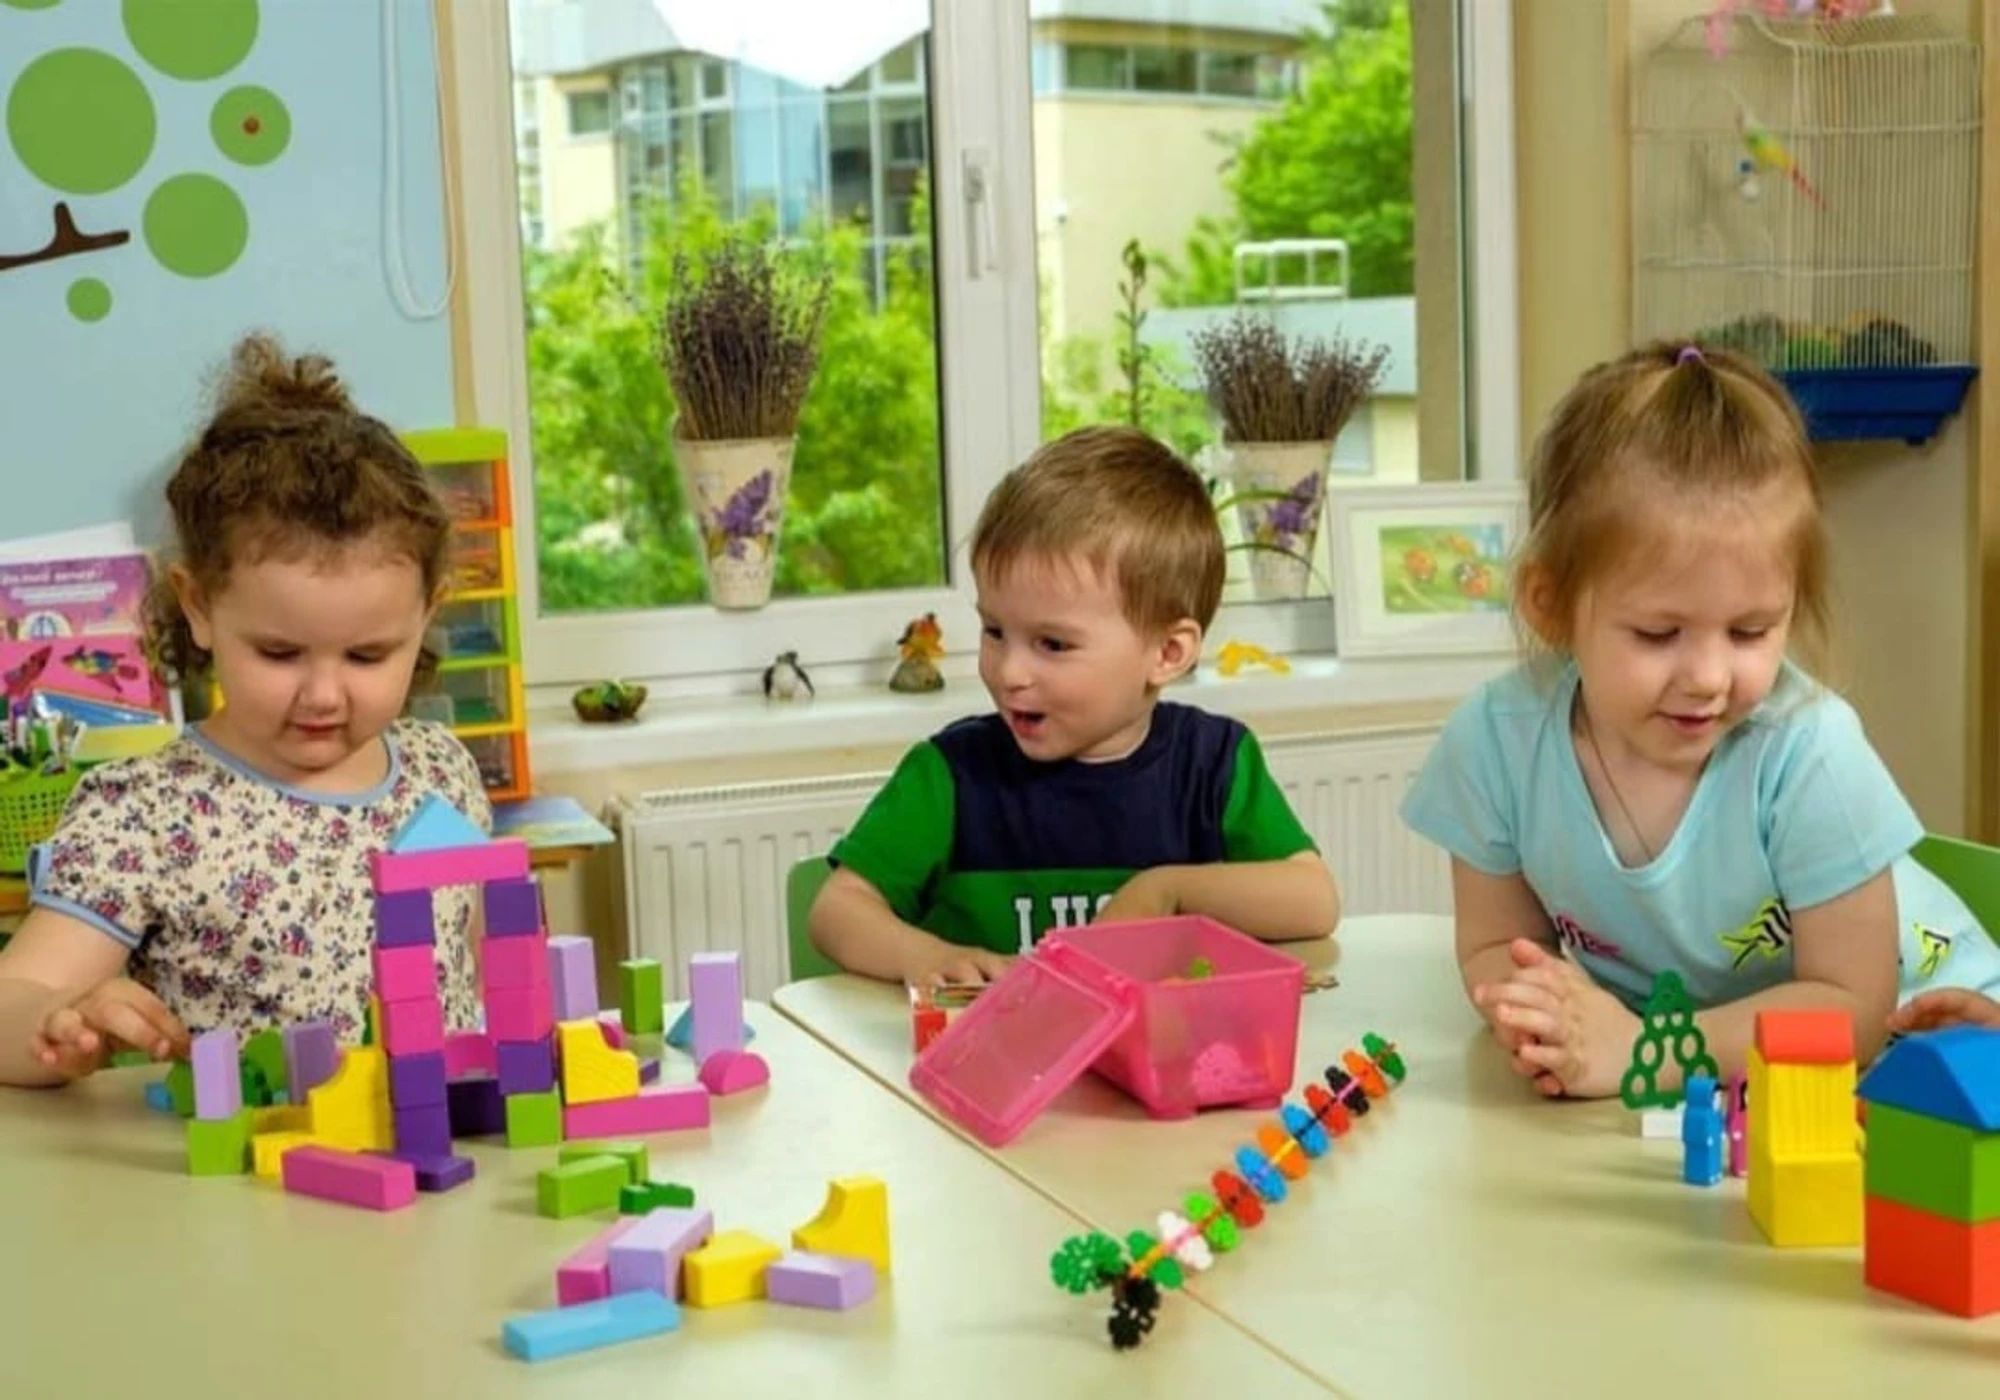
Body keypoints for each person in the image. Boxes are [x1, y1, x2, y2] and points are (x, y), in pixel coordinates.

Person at [1401, 342, 2000, 1099]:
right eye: (1659, 634)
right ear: (1550, 605)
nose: (1711, 678)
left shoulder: (1809, 750)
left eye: (1751, 632)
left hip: (1940, 1051)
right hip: (1726, 1076)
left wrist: (1643, 1050)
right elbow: (1497, 945)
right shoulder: (1496, 742)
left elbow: (1854, 1012)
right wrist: (1541, 1021)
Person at [0, 334, 490, 1086]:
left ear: (427, 613)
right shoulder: (149, 814)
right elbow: (14, 998)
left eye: (367, 656)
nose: (323, 694)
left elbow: (480, 968)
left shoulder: (442, 771)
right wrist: (57, 1021)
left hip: (442, 1150)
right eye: (280, 653)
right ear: (198, 607)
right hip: (252, 1160)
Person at [809, 425, 1338, 987]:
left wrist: (1166, 891)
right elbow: (836, 911)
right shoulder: (949, 773)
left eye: (1053, 644)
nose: (1009, 673)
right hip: (993, 1044)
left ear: (1167, 653)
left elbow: (1314, 900)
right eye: (995, 631)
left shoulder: (1214, 763)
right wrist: (924, 956)